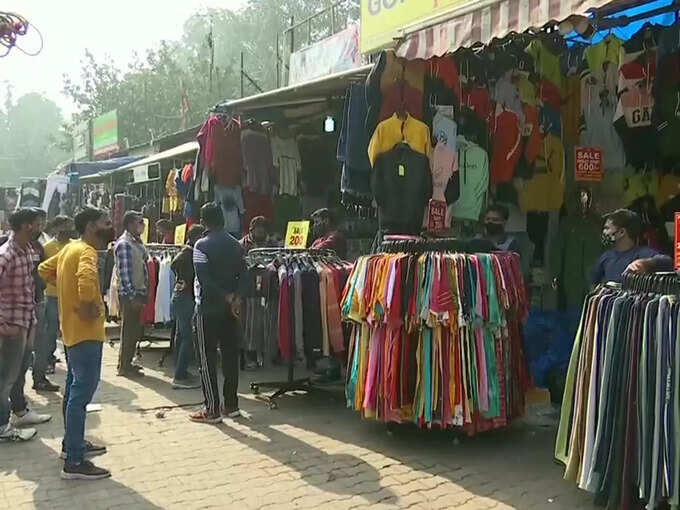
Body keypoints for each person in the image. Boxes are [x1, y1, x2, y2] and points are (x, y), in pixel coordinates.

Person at [39, 207, 113, 480]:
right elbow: (85, 282)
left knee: (73, 390)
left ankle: (72, 445)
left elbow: (44, 268)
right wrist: (85, 305)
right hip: (86, 333)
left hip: (71, 333)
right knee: (81, 395)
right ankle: (74, 460)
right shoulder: (87, 252)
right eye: (106, 223)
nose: (109, 227)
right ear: (92, 226)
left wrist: (66, 290)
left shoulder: (71, 248)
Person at [190, 202, 247, 423]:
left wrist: (224, 296)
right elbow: (244, 274)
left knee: (207, 358)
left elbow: (204, 280)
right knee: (230, 356)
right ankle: (231, 405)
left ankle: (212, 409)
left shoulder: (201, 246)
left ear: (203, 221)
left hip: (207, 309)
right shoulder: (236, 244)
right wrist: (236, 298)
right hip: (230, 310)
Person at [0, 209, 52, 443]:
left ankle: (19, 411)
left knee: (19, 371)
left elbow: (27, 288)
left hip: (25, 322)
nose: (40, 227)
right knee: (5, 378)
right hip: (10, 326)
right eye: (36, 224)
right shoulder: (6, 254)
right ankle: (2, 427)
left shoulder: (28, 250)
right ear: (25, 226)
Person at [33, 215, 74, 390]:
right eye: (64, 225)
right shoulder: (47, 247)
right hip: (51, 295)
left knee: (69, 331)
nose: (67, 228)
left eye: (69, 225)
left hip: (70, 295)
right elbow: (41, 271)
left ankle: (71, 363)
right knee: (50, 332)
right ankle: (46, 363)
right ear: (56, 228)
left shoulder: (74, 246)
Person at [590, 208, 673, 285]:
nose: (604, 232)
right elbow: (592, 280)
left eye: (607, 228)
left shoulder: (643, 254)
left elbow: (668, 262)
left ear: (621, 232)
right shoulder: (606, 257)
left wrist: (646, 263)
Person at [114, 211, 149, 377]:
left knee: (134, 331)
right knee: (128, 330)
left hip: (139, 291)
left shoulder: (136, 242)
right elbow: (124, 273)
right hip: (130, 294)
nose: (141, 225)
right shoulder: (124, 244)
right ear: (129, 224)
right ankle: (124, 366)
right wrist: (132, 295)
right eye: (138, 222)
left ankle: (128, 362)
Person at [169, 224, 204, 390]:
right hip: (184, 300)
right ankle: (180, 376)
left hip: (179, 298)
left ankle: (180, 370)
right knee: (187, 337)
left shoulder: (184, 253)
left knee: (180, 335)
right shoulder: (188, 255)